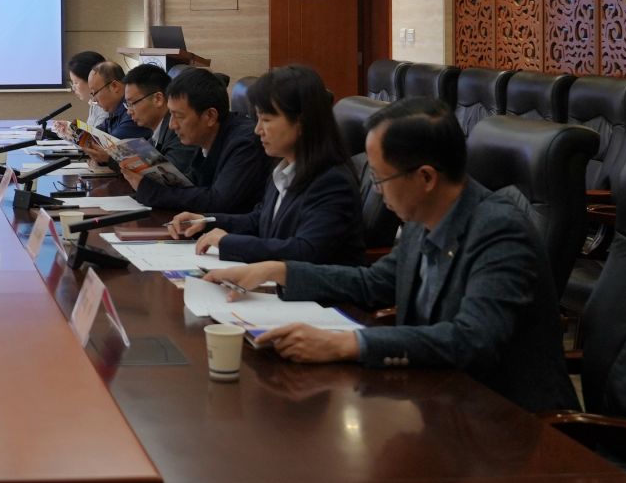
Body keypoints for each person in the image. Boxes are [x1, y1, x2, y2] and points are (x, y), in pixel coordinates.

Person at [209, 98, 577, 413]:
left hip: (511, 426)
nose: (378, 192)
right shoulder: (423, 217)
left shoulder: (499, 231)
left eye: (380, 179)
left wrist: (347, 343)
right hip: (440, 402)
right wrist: (279, 270)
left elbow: (472, 340)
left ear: (426, 178)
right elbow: (375, 282)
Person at [167, 64, 361, 267]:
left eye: (266, 120)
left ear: (301, 122)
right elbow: (260, 219)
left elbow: (305, 250)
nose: (258, 130)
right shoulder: (284, 168)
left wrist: (228, 243)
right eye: (258, 119)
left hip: (313, 287)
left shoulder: (332, 181)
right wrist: (204, 221)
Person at [125, 66, 267, 215]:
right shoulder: (205, 136)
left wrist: (152, 192)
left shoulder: (244, 143)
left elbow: (218, 201)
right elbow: (193, 184)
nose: (172, 125)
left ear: (210, 116)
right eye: (171, 115)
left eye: (179, 116)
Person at [122, 63, 199, 170]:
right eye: (127, 104)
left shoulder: (178, 130)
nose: (129, 112)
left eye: (132, 103)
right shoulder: (156, 131)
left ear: (158, 99)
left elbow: (170, 175)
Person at [84, 61, 149, 140]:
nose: (94, 99)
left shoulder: (132, 111)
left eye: (95, 92)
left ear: (114, 86)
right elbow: (96, 134)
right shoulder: (115, 110)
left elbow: (113, 143)